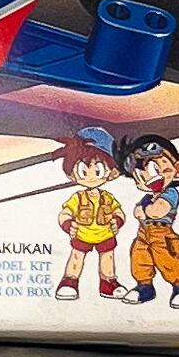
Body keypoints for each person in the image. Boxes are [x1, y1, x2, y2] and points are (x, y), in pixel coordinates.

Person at [119, 132, 179, 308]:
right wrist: (141, 210)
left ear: (178, 169)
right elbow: (138, 211)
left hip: (162, 234)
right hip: (143, 234)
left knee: (170, 260)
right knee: (140, 258)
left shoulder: (170, 193)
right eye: (141, 175)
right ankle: (144, 287)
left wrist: (144, 211)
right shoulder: (148, 196)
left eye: (158, 169)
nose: (150, 177)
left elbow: (157, 211)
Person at [56, 125, 126, 301]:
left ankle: (108, 283)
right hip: (82, 234)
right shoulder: (78, 197)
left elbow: (118, 211)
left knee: (107, 259)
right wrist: (68, 225)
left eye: (98, 170)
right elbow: (65, 213)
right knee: (76, 257)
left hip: (105, 234)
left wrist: (117, 221)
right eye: (83, 171)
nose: (91, 176)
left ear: (111, 172)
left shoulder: (107, 197)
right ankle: (69, 282)